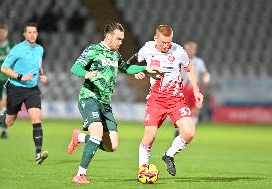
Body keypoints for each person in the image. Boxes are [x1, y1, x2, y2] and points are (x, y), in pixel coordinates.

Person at [67, 22, 159, 184]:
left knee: (112, 146)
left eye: (122, 39)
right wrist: (86, 73)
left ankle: (80, 137)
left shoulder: (116, 56)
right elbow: (75, 68)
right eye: (118, 39)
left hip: (105, 104)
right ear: (108, 37)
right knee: (96, 133)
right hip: (89, 98)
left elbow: (126, 68)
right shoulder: (93, 50)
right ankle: (80, 175)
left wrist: (144, 68)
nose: (121, 42)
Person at [134, 25, 203, 176]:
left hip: (176, 100)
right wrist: (138, 71)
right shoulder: (147, 49)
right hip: (156, 100)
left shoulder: (178, 51)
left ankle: (169, 155)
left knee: (189, 132)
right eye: (164, 42)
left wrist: (196, 90)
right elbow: (134, 63)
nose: (167, 45)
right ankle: (143, 170)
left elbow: (190, 68)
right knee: (149, 137)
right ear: (155, 38)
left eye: (169, 42)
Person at [0, 23, 49, 164]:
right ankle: (0, 119)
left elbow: (38, 64)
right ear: (24, 34)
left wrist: (42, 74)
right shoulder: (17, 49)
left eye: (34, 32)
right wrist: (20, 77)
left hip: (32, 90)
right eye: (29, 32)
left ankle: (38, 154)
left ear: (37, 33)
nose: (32, 34)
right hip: (16, 88)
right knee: (9, 122)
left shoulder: (40, 49)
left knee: (36, 119)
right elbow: (4, 68)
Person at [174, 41, 210, 137]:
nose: (190, 51)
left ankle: (189, 131)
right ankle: (179, 130)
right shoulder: (179, 60)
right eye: (188, 49)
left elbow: (204, 73)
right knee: (182, 111)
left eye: (192, 49)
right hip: (182, 89)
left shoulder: (199, 62)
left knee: (195, 110)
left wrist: (206, 79)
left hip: (195, 89)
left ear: (195, 50)